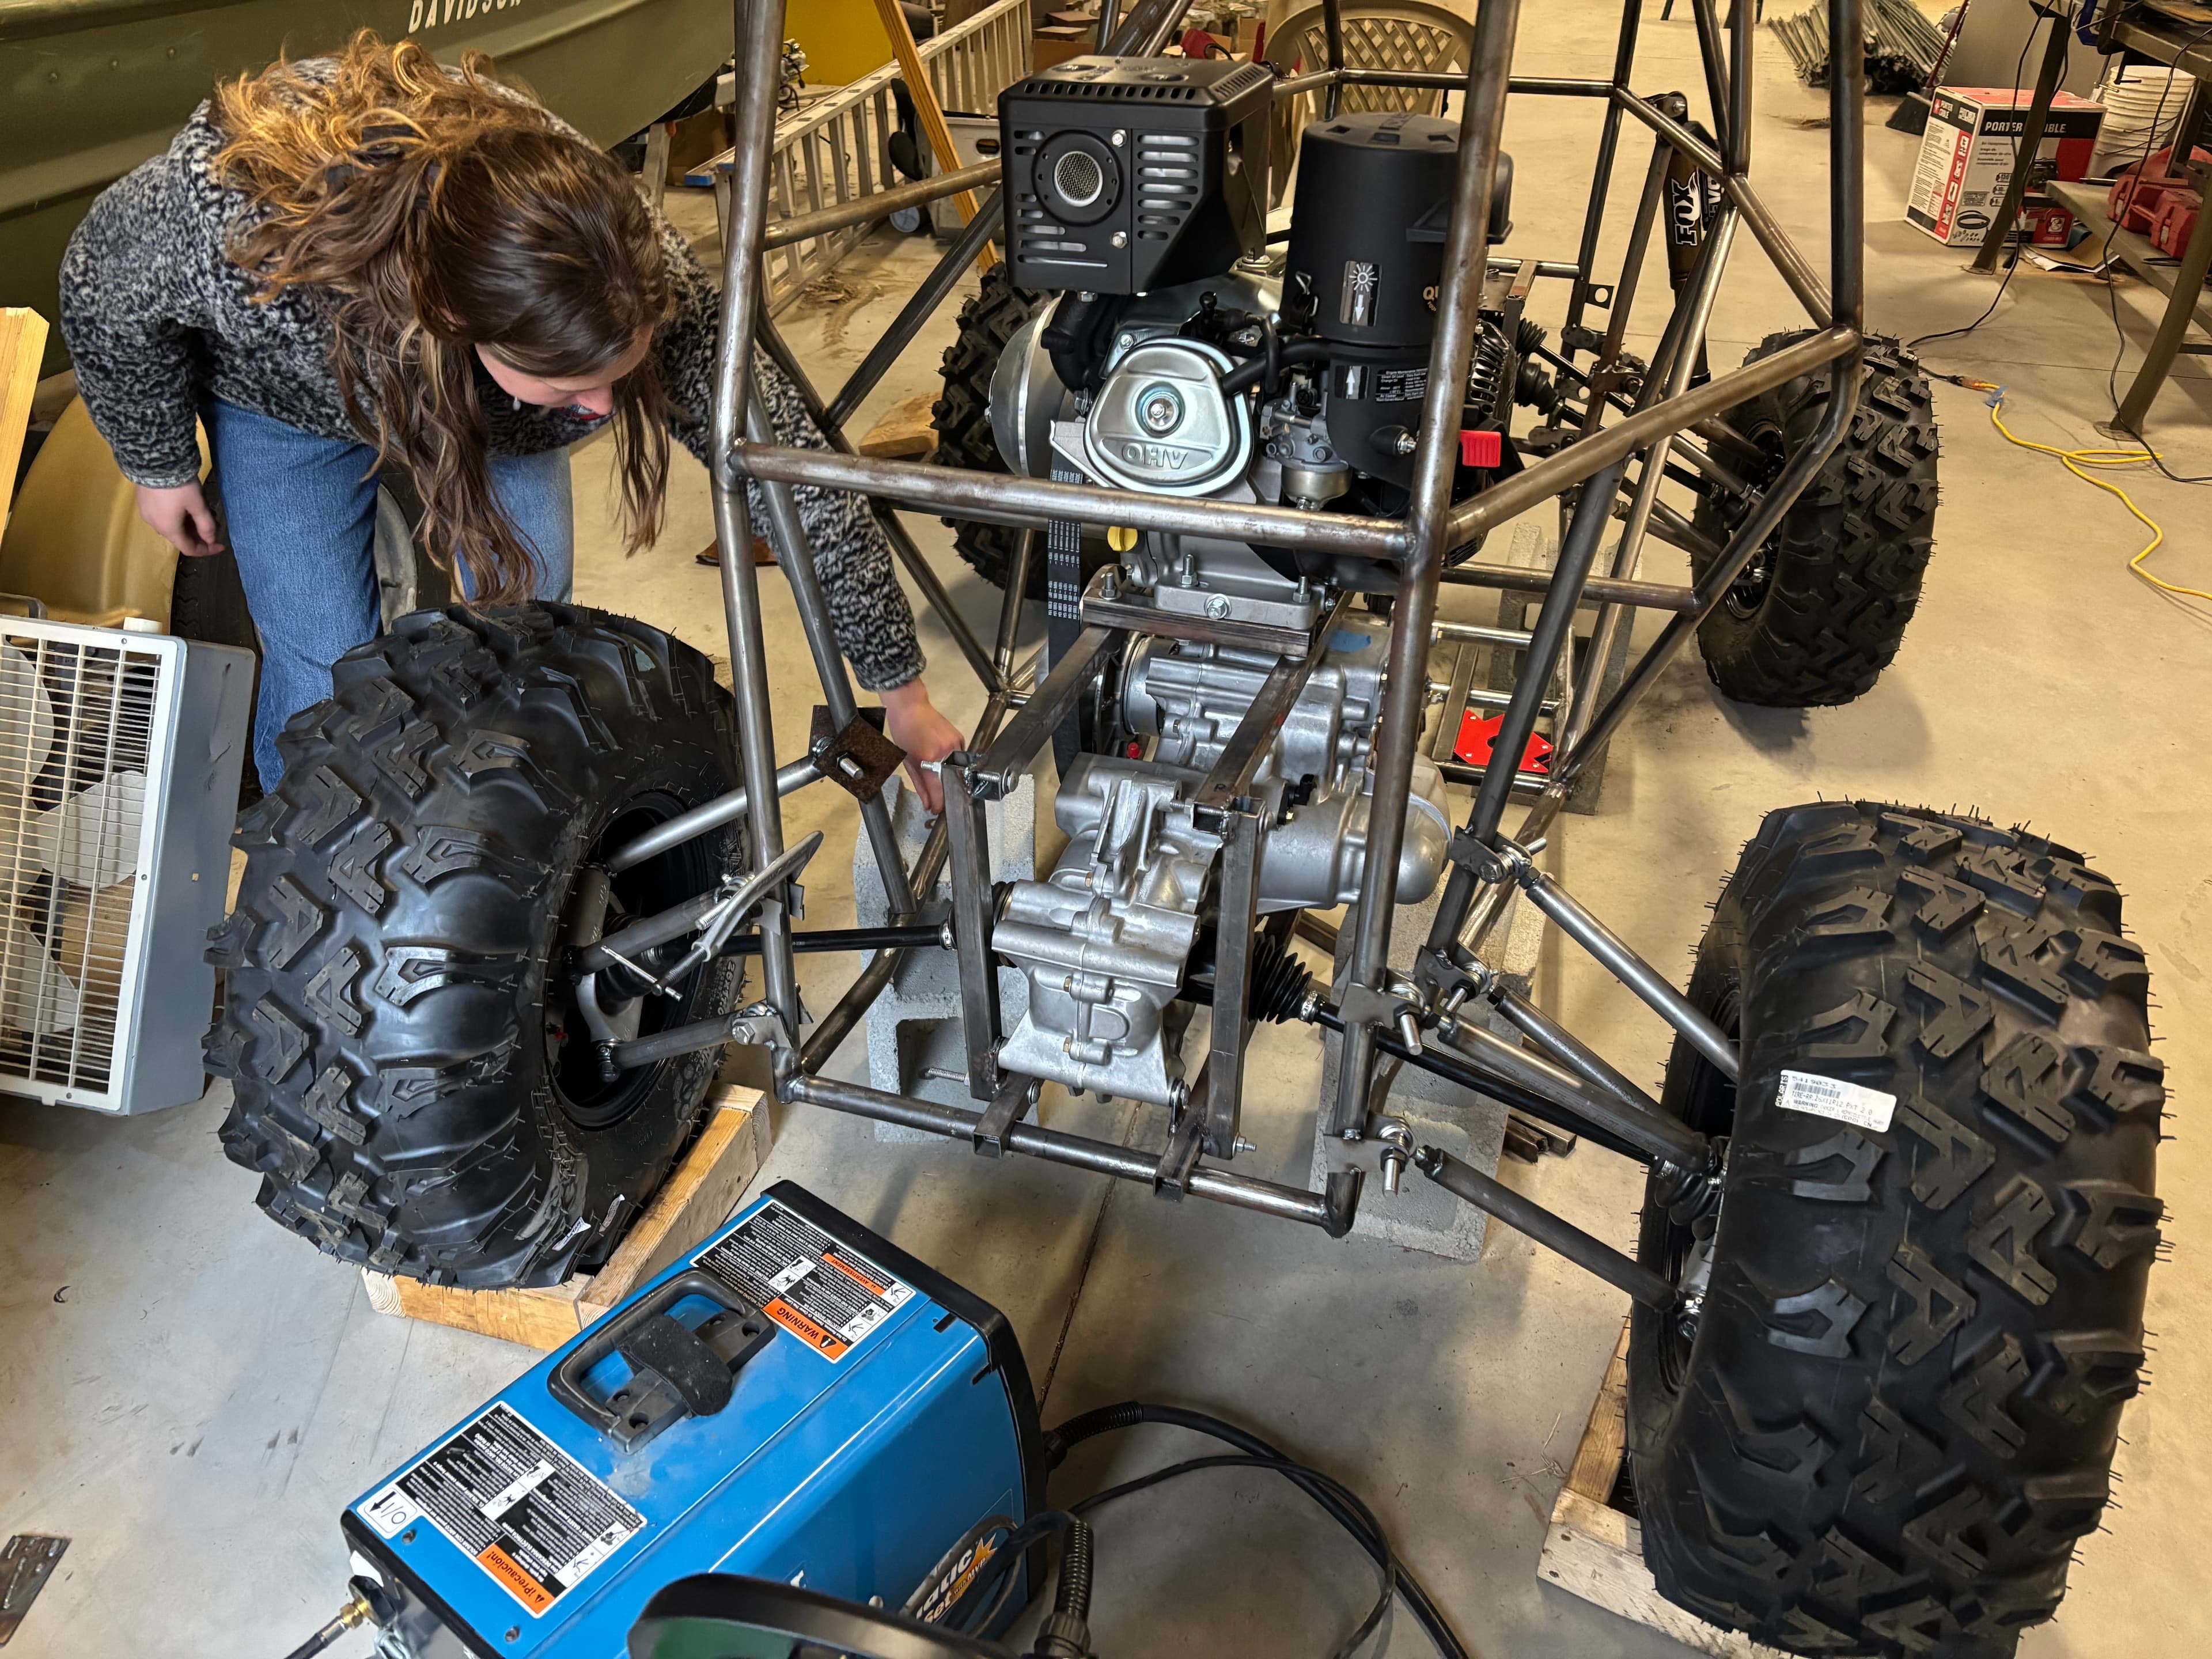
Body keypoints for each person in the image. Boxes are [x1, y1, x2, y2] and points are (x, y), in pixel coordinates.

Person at [59, 30, 964, 808]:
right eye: (574, 384)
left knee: (526, 649)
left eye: (622, 374)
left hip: (498, 426)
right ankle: (314, 933)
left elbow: (793, 476)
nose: (607, 411)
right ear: (456, 325)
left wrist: (901, 690)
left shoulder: (635, 272)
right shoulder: (239, 218)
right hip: (285, 400)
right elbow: (100, 282)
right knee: (318, 684)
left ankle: (508, 863)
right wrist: (157, 457)